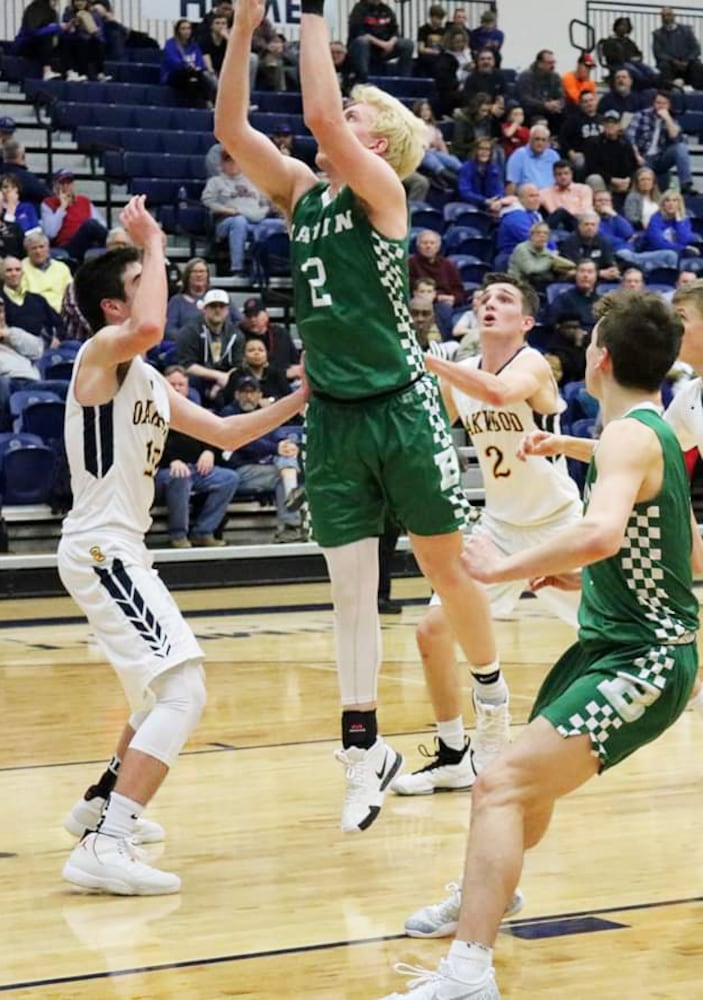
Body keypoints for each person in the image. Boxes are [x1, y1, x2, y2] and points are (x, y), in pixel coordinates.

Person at [216, 0, 500, 834]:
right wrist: (239, 31)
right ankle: (362, 749)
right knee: (348, 594)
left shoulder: (383, 191)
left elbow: (310, 111)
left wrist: (306, 15)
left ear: (377, 141)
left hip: (402, 408)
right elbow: (235, 128)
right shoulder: (302, 194)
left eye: (355, 111)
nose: (339, 115)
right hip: (337, 418)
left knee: (447, 573)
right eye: (345, 105)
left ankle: (490, 706)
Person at [380, 289, 699, 1000]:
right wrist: (567, 457)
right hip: (612, 646)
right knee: (521, 788)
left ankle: (467, 972)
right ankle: (481, 899)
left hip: (642, 656)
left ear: (600, 359)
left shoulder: (628, 437)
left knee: (497, 784)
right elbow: (689, 554)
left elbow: (600, 533)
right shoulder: (651, 436)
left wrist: (504, 566)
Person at [59, 196, 309, 895]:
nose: (157, 297)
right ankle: (105, 846)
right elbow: (145, 323)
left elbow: (228, 436)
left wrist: (301, 398)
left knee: (153, 697)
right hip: (101, 547)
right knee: (183, 690)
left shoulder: (145, 380)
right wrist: (155, 243)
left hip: (120, 550)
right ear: (114, 307)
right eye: (143, 284)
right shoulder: (100, 353)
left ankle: (99, 808)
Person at [392, 274, 582, 803]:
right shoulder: (463, 374)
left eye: (504, 299)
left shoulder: (532, 363)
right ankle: (454, 756)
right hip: (497, 528)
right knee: (432, 633)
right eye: (484, 298)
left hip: (556, 523)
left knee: (615, 626)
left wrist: (424, 357)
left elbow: (499, 393)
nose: (489, 304)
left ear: (526, 321)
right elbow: (428, 428)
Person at [154, 365, 239, 548]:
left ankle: (203, 532)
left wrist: (209, 451)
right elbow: (146, 445)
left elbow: (213, 435)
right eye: (172, 384)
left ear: (187, 387)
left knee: (229, 478)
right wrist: (170, 461)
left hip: (194, 469)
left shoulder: (194, 410)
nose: (177, 388)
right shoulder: (151, 411)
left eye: (181, 384)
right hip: (161, 472)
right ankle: (178, 535)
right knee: (180, 476)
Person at [219, 373, 306, 543]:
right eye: (244, 392)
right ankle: (292, 526)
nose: (248, 396)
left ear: (260, 395)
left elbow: (275, 438)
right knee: (285, 473)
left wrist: (286, 446)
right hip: (237, 471)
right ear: (236, 394)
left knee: (288, 465)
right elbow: (242, 441)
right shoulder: (228, 413)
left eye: (252, 392)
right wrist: (276, 448)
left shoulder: (264, 413)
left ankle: (293, 525)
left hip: (264, 467)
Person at [200, 148, 272, 274]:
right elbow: (207, 201)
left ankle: (275, 269)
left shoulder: (254, 181)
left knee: (281, 225)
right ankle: (237, 268)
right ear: (222, 164)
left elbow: (266, 203)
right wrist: (225, 210)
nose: (232, 164)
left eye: (235, 160)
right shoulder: (216, 181)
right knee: (239, 222)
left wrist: (263, 212)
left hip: (256, 220)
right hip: (227, 221)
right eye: (228, 161)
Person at [175, 287, 246, 402]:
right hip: (198, 379)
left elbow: (237, 366)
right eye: (213, 306)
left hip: (225, 380)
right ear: (204, 309)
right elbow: (187, 366)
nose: (217, 310)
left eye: (221, 306)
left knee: (242, 381)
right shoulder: (190, 331)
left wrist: (220, 384)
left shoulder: (236, 334)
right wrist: (218, 376)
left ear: (228, 310)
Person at [627, 91, 697, 197]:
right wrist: (637, 156)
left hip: (661, 158)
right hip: (643, 157)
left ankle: (685, 184)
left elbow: (676, 138)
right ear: (653, 103)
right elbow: (630, 138)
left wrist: (668, 119)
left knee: (681, 147)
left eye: (664, 103)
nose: (661, 106)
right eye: (658, 103)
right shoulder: (641, 115)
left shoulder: (672, 119)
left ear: (669, 105)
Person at [41, 168, 107, 261]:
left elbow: (102, 225)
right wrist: (62, 208)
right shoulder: (48, 203)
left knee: (92, 226)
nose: (66, 187)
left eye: (69, 183)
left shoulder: (84, 201)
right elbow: (50, 233)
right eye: (62, 183)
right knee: (89, 224)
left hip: (89, 242)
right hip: (67, 246)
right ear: (55, 186)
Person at [346, 0, 414, 83]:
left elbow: (395, 31)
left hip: (384, 48)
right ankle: (364, 80)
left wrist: (390, 43)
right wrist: (382, 44)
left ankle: (404, 81)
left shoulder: (386, 10)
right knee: (362, 42)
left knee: (408, 44)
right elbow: (360, 33)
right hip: (365, 48)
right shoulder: (359, 9)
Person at [1, 255, 63, 344]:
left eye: (17, 270)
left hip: (47, 346)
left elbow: (58, 323)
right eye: (9, 270)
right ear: (2, 275)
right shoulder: (1, 301)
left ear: (22, 273)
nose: (14, 274)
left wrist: (57, 338)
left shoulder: (38, 299)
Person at [160, 19, 216, 108]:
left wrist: (197, 68)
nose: (186, 31)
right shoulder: (171, 44)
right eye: (183, 29)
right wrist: (186, 65)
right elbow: (173, 61)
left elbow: (200, 62)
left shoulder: (194, 45)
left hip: (193, 73)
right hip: (174, 74)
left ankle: (208, 101)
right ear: (178, 30)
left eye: (188, 28)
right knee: (191, 76)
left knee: (197, 80)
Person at [508, 221, 575, 290]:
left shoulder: (547, 251)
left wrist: (569, 271)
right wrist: (550, 260)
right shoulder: (522, 248)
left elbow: (570, 264)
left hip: (539, 285)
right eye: (538, 233)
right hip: (520, 286)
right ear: (531, 235)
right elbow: (530, 270)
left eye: (545, 233)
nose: (542, 235)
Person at [21, 230, 72, 313]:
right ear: (27, 251)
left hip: (63, 312)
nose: (38, 251)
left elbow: (70, 294)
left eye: (41, 247)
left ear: (48, 248)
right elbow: (22, 298)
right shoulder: (20, 268)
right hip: (36, 313)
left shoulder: (62, 267)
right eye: (34, 248)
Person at [652, 7, 702, 90]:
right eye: (663, 16)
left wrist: (687, 60)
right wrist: (673, 61)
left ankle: (700, 93)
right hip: (670, 64)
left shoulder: (686, 31)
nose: (666, 18)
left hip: (688, 63)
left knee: (698, 66)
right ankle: (668, 94)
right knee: (663, 66)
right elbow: (658, 53)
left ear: (674, 16)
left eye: (668, 15)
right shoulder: (657, 34)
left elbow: (696, 49)